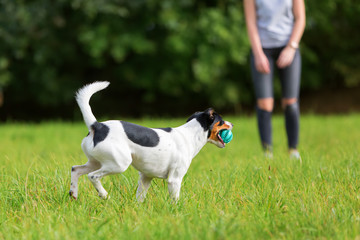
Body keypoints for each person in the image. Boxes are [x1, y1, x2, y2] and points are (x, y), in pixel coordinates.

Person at [243, 0, 306, 159]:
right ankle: (267, 152)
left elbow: (300, 18)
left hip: (289, 46)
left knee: (290, 102)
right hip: (262, 49)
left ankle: (293, 150)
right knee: (265, 103)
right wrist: (258, 54)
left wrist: (291, 47)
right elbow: (251, 23)